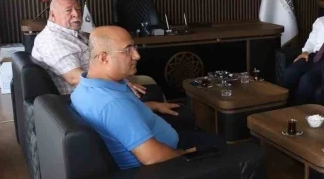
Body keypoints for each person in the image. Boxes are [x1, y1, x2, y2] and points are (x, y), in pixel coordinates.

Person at [70, 26, 226, 170]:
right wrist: (183, 155)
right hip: (164, 164)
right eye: (127, 50)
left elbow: (118, 117)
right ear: (104, 58)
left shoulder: (85, 87)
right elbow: (152, 157)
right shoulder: (113, 104)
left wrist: (152, 105)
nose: (137, 56)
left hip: (162, 139)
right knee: (221, 146)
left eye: (134, 47)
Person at [31, 0, 149, 98]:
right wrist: (121, 85)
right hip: (94, 96)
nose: (76, 14)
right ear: (52, 15)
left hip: (105, 84)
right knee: (149, 82)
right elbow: (75, 78)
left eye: (78, 9)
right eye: (68, 10)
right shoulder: (53, 40)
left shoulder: (71, 33)